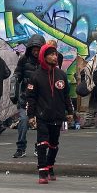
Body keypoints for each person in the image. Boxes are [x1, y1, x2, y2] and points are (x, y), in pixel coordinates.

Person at [27, 43, 75, 184]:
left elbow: (67, 95)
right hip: (42, 115)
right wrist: (31, 116)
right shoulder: (35, 76)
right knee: (42, 143)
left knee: (54, 144)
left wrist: (70, 111)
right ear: (44, 56)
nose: (55, 57)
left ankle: (50, 167)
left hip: (58, 115)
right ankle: (42, 172)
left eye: (55, 54)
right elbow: (31, 98)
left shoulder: (61, 74)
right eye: (51, 54)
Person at [12, 34, 46, 156]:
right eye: (34, 50)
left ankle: (39, 147)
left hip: (41, 99)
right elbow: (17, 75)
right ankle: (21, 148)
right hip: (26, 97)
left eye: (38, 50)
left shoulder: (45, 61)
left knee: (42, 125)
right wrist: (14, 91)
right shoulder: (24, 59)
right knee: (23, 122)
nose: (36, 52)